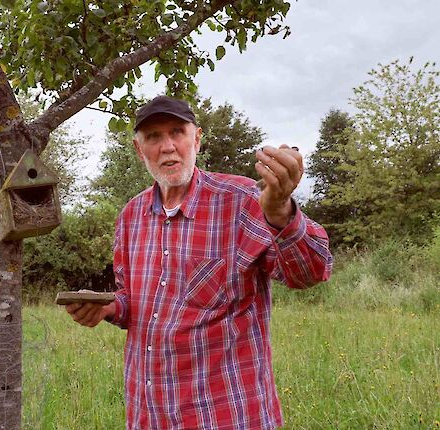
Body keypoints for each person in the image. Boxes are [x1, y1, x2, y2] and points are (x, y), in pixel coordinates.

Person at [65, 95, 333, 429]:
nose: (168, 146)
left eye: (177, 132)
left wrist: (280, 212)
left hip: (225, 417)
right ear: (139, 149)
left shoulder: (243, 201)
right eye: (153, 137)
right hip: (150, 416)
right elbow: (134, 301)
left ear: (197, 139)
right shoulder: (130, 216)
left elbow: (310, 272)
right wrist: (107, 307)